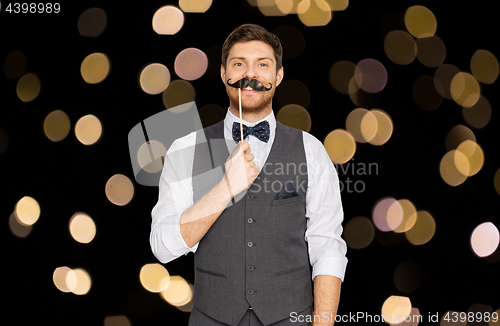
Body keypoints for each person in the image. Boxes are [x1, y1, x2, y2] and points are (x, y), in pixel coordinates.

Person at [150, 23, 347, 326]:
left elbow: (327, 246)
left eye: (262, 65)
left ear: (278, 76)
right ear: (223, 74)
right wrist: (225, 188)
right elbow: (163, 247)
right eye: (239, 63)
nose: (250, 74)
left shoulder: (311, 150)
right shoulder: (186, 149)